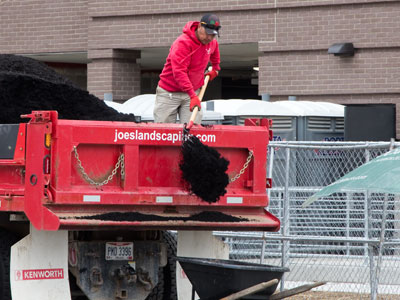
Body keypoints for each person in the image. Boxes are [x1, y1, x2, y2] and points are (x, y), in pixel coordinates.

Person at [153, 13, 221, 126]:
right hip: (169, 92)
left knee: (192, 130)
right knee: (164, 132)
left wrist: (216, 68)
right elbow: (179, 72)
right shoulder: (183, 43)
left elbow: (215, 52)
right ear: (199, 26)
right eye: (207, 33)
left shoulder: (211, 42)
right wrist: (193, 96)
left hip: (193, 92)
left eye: (213, 35)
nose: (209, 38)